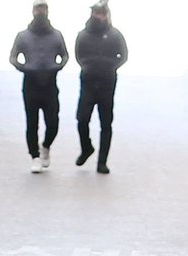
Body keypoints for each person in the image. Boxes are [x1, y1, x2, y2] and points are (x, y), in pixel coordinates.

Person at [10, 2, 68, 172]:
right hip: (31, 83)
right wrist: (24, 67)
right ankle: (34, 156)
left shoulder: (56, 35)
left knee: (53, 122)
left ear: (47, 11)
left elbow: (64, 55)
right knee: (32, 122)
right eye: (37, 9)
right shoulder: (23, 36)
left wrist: (57, 66)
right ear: (33, 11)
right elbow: (13, 57)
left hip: (50, 83)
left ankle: (46, 146)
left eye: (43, 9)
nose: (40, 12)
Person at [73, 2, 127, 172]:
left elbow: (123, 55)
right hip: (88, 83)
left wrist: (111, 66)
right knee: (82, 119)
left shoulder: (115, 35)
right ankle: (86, 147)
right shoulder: (83, 35)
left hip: (107, 83)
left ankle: (102, 162)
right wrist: (87, 66)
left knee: (106, 123)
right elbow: (78, 54)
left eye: (102, 14)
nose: (99, 17)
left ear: (107, 15)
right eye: (96, 13)